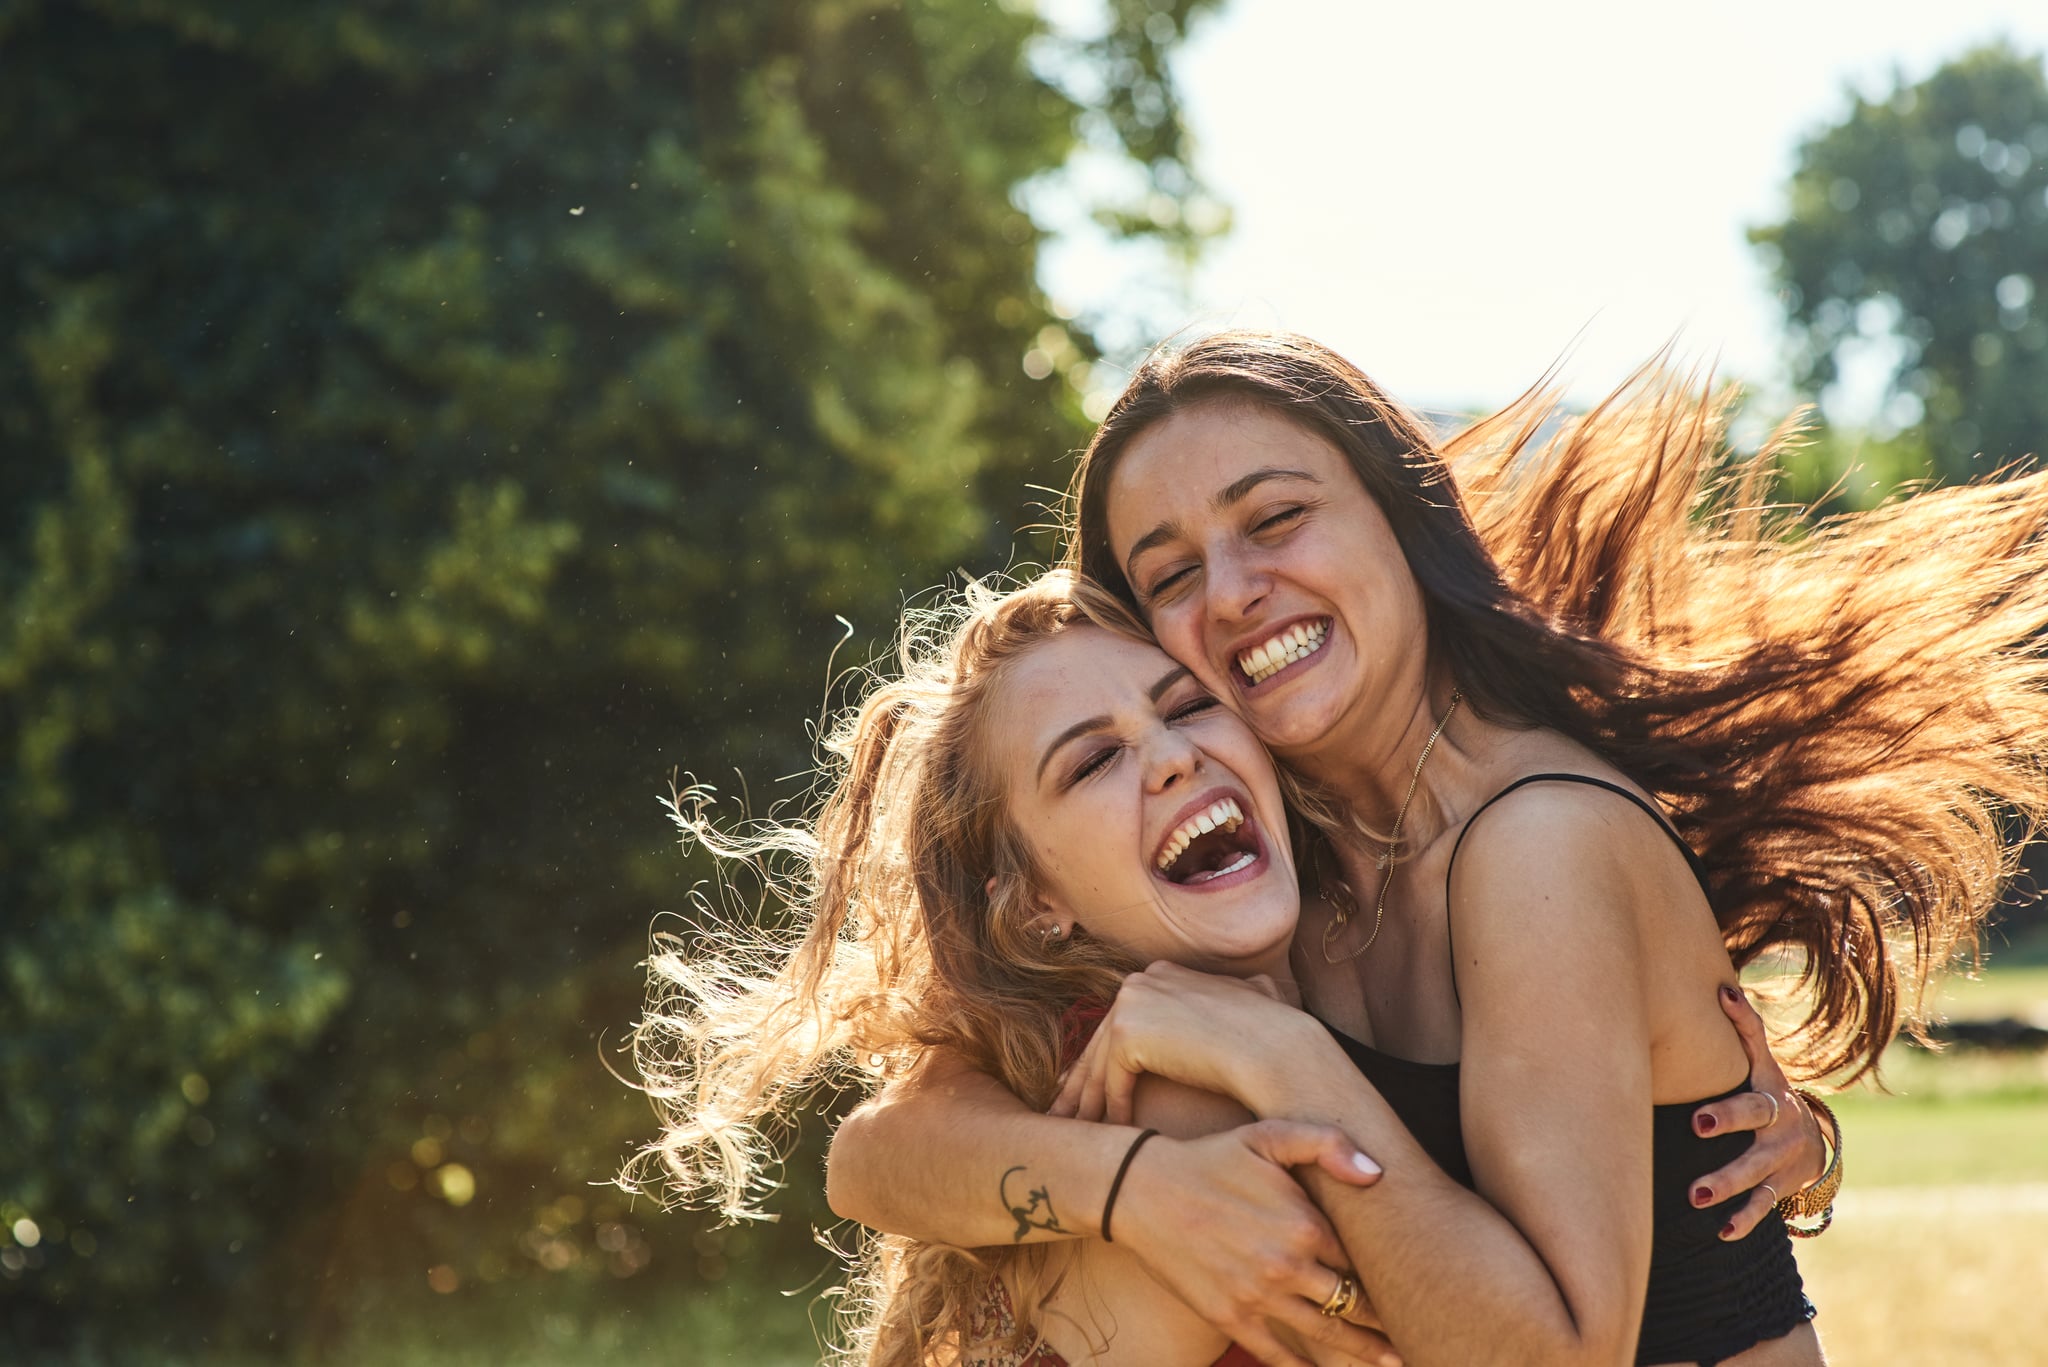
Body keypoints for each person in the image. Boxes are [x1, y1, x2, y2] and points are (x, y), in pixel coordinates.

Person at [824, 332, 2048, 1366]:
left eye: (1276, 518)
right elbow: (883, 1149)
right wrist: (1127, 1187)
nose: (1236, 589)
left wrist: (1290, 1056)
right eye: (1172, 574)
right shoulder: (1267, 865)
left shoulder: (1538, 843)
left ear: (1402, 520)